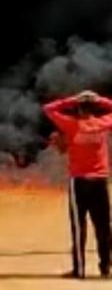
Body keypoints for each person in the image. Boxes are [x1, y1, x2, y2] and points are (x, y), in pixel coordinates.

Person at [44, 90, 112, 279]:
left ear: (79, 109)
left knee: (78, 227)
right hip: (100, 181)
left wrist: (72, 99)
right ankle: (105, 268)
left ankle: (79, 270)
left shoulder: (72, 124)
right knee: (103, 226)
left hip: (79, 181)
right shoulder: (104, 123)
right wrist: (100, 99)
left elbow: (48, 109)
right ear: (94, 110)